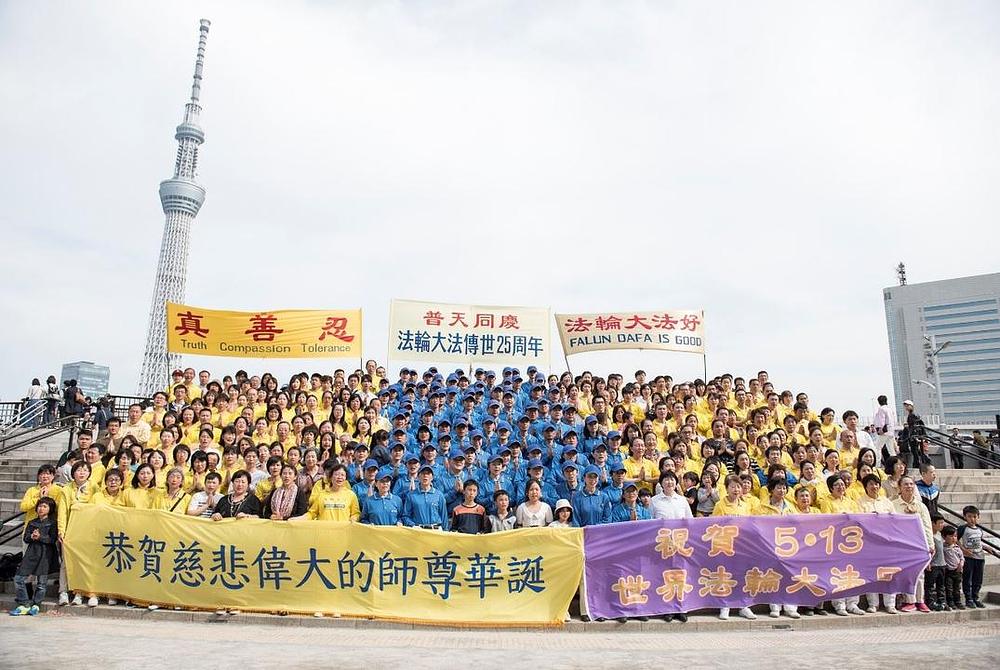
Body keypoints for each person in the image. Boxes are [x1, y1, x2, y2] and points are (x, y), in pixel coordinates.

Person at [713, 474, 756, 621]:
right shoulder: (720, 505)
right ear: (726, 488)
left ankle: (743, 606)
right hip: (725, 546)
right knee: (726, 576)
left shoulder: (745, 505)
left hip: (743, 546)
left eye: (738, 486)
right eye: (732, 486)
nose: (736, 489)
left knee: (743, 576)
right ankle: (725, 606)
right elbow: (715, 525)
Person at [10, 497, 58, 616]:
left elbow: (52, 539)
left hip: (45, 554)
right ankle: (25, 603)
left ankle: (36, 604)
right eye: (40, 506)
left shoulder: (52, 523)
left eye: (44, 506)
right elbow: (25, 538)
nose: (41, 509)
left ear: (50, 509)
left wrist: (40, 537)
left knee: (42, 583)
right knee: (18, 578)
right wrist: (32, 536)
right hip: (31, 553)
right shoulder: (32, 522)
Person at [894, 475, 934, 613]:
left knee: (920, 573)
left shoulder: (921, 506)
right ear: (899, 487)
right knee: (906, 573)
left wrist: (930, 544)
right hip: (902, 544)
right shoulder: (893, 504)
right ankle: (909, 601)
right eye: (905, 484)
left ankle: (920, 600)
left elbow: (927, 526)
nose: (909, 486)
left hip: (919, 543)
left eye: (911, 484)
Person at [958, 505, 1000, 609]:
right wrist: (964, 550)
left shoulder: (979, 530)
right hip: (969, 558)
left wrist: (986, 548)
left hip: (980, 557)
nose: (972, 519)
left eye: (974, 516)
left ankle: (975, 597)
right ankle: (969, 599)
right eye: (969, 516)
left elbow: (979, 542)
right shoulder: (962, 528)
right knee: (968, 579)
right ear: (965, 517)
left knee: (978, 579)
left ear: (978, 517)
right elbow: (956, 540)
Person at [402, 464, 448, 529]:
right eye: (423, 473)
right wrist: (412, 525)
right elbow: (405, 516)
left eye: (428, 473)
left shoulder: (439, 495)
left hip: (435, 530)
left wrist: (445, 532)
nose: (425, 475)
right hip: (419, 530)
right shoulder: (411, 495)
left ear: (432, 477)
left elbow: (444, 516)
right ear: (418, 477)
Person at [925, 514, 947, 611]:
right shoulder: (928, 536)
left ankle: (941, 601)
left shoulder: (940, 535)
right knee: (930, 585)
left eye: (943, 522)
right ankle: (930, 602)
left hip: (942, 564)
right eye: (940, 523)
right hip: (933, 565)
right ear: (933, 524)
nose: (942, 525)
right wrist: (928, 563)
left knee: (941, 585)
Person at [942, 526, 965, 610]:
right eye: (951, 536)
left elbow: (962, 558)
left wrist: (961, 564)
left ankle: (958, 601)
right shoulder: (943, 548)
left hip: (958, 571)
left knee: (957, 588)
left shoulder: (957, 548)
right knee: (949, 588)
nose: (953, 538)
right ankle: (950, 602)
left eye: (955, 536)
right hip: (948, 571)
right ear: (944, 537)